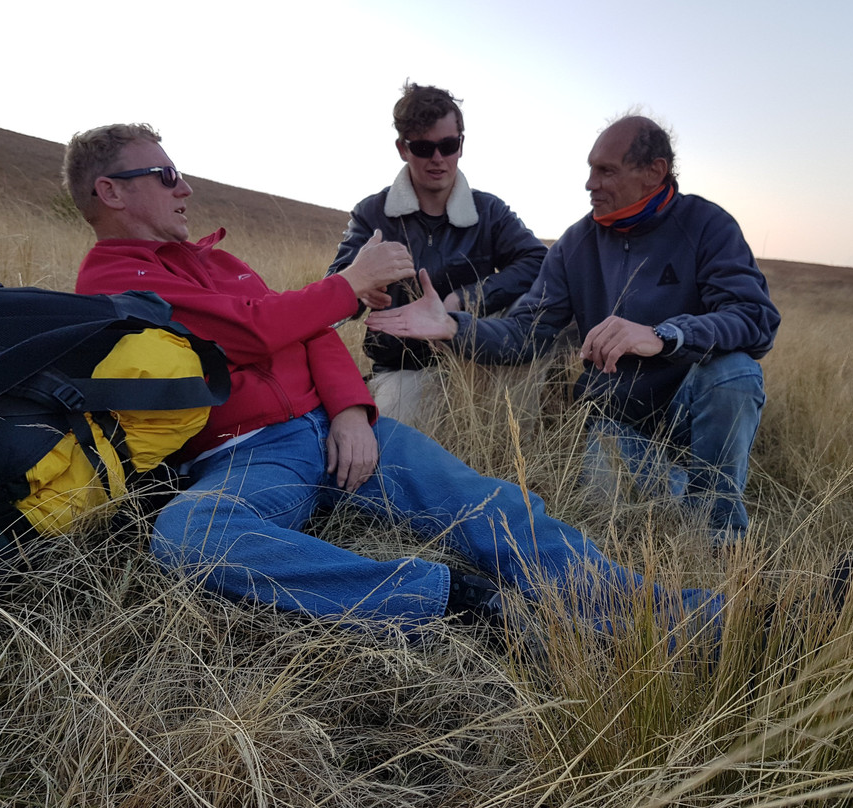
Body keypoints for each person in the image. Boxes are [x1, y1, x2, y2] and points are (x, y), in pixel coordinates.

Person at [61, 122, 724, 641]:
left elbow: (311, 332)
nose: (186, 188)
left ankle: (686, 619)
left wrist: (351, 410)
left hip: (335, 428)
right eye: (165, 174)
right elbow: (256, 328)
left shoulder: (221, 260)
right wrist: (350, 284)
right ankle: (449, 600)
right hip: (242, 460)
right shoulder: (112, 283)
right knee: (189, 535)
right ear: (111, 192)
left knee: (492, 504)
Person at [366, 115, 781, 546]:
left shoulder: (707, 225)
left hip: (689, 409)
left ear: (653, 172)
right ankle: (676, 491)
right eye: (590, 169)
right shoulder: (575, 244)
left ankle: (716, 536)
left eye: (606, 171)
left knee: (736, 372)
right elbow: (525, 334)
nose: (590, 184)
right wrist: (454, 326)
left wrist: (664, 334)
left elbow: (755, 318)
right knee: (620, 522)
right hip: (618, 422)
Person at [326, 82, 547, 427]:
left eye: (448, 145)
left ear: (462, 143)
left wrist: (463, 301)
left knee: (511, 431)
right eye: (424, 147)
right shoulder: (372, 214)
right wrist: (357, 286)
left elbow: (536, 262)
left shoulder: (490, 212)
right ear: (402, 148)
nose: (438, 158)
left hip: (478, 364)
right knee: (396, 448)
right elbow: (334, 287)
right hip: (403, 369)